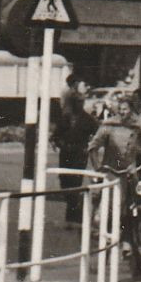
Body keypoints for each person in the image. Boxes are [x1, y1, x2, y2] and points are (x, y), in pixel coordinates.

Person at [55, 80, 99, 226]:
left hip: (79, 155)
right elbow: (56, 135)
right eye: (77, 102)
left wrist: (91, 146)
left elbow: (98, 133)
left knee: (75, 183)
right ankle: (74, 212)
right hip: (65, 154)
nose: (80, 105)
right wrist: (59, 143)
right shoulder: (65, 118)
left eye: (82, 102)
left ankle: (72, 217)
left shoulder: (88, 119)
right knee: (65, 184)